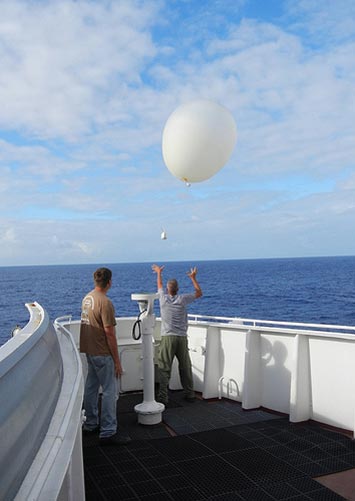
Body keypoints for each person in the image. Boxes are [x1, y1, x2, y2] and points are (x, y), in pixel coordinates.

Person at [80, 267, 131, 446]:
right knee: (110, 391)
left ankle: (91, 424)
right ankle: (108, 431)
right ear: (109, 282)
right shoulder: (105, 302)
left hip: (90, 351)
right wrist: (117, 361)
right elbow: (110, 334)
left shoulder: (87, 298)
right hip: (102, 353)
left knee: (91, 388)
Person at [152, 264, 203, 405]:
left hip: (168, 338)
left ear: (168, 290)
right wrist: (193, 278)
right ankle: (190, 393)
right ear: (178, 289)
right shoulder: (183, 299)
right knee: (185, 366)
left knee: (164, 368)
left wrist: (158, 272)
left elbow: (159, 285)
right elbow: (199, 293)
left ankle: (163, 397)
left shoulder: (163, 298)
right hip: (181, 338)